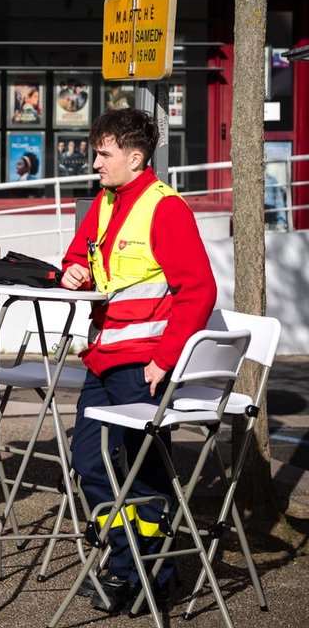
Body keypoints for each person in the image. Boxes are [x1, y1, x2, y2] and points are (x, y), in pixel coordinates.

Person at [60, 108, 215, 613]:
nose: (95, 162)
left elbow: (198, 291)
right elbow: (77, 255)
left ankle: (146, 575)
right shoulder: (105, 202)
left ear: (135, 156)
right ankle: (136, 566)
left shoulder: (163, 207)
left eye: (103, 153)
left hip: (143, 364)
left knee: (143, 474)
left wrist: (164, 361)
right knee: (89, 463)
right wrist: (74, 272)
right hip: (104, 359)